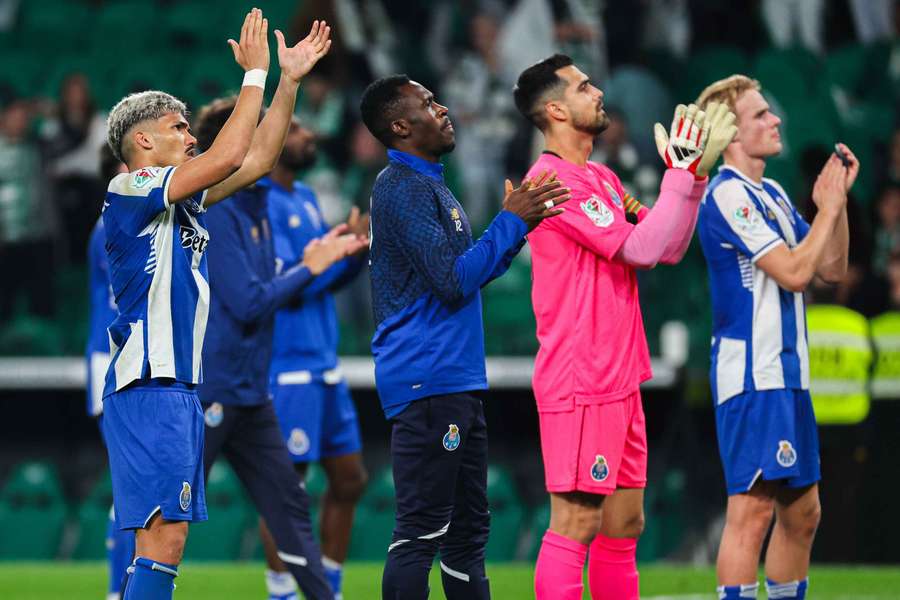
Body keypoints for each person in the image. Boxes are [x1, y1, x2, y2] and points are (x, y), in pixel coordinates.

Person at [512, 54, 735, 600]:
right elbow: (638, 247)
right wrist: (678, 176)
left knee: (624, 525)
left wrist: (692, 179)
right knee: (578, 523)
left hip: (618, 374)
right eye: (584, 86)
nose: (598, 92)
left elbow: (669, 246)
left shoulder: (603, 178)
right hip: (580, 376)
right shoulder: (551, 182)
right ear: (557, 109)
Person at [359, 73, 570, 600]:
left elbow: (465, 274)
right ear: (401, 125)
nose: (444, 107)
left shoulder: (432, 185)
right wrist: (508, 221)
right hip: (426, 379)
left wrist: (518, 227)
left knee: (468, 532)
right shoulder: (400, 187)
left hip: (452, 379)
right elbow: (451, 282)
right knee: (421, 531)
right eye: (428, 103)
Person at [101, 9, 288, 600]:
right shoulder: (130, 189)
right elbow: (230, 156)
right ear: (144, 140)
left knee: (159, 544)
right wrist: (254, 75)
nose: (191, 136)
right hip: (149, 383)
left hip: (177, 387)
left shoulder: (178, 204)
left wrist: (290, 80)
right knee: (166, 539)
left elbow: (256, 161)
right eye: (179, 127)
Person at [191, 22, 357, 600]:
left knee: (291, 508)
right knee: (168, 518)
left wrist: (286, 80)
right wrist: (310, 266)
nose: (276, 141)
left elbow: (262, 154)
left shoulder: (263, 199)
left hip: (249, 389)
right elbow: (249, 301)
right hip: (206, 389)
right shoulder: (214, 209)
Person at [695, 74, 855, 600]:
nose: (775, 119)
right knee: (754, 507)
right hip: (752, 373)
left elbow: (831, 267)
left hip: (789, 372)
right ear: (732, 135)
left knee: (803, 511)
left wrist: (838, 203)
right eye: (761, 114)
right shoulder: (726, 197)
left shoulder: (774, 193)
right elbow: (792, 272)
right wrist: (826, 211)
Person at [256, 116, 369, 600]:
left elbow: (319, 276)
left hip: (324, 361)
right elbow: (287, 282)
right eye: (297, 130)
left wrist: (353, 255)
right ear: (274, 141)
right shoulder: (259, 201)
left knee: (350, 479)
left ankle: (331, 587)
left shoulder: (304, 196)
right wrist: (331, 258)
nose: (309, 138)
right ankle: (282, 591)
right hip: (287, 365)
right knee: (289, 490)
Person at [86, 143, 133, 600]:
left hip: (125, 362)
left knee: (133, 486)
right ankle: (118, 589)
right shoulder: (109, 226)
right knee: (128, 484)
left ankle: (125, 585)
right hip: (111, 363)